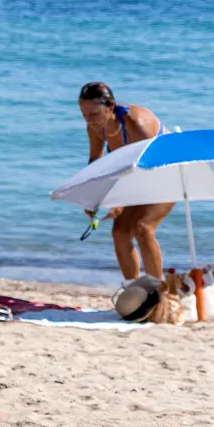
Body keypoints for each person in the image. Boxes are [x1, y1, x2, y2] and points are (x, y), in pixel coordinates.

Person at [77, 82, 174, 282]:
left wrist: (119, 201)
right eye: (84, 114)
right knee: (120, 232)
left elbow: (146, 168)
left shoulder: (137, 124)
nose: (88, 120)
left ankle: (157, 293)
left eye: (93, 114)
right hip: (137, 175)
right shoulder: (95, 127)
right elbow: (95, 162)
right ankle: (135, 292)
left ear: (110, 106)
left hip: (166, 171)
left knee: (143, 228)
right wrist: (93, 198)